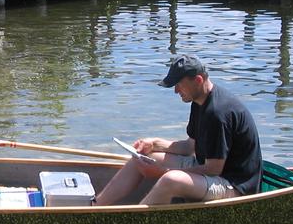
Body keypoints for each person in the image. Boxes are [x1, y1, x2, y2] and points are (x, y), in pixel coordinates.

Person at [95, 54, 262, 206]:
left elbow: (214, 169)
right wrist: (154, 144)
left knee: (170, 179)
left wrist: (162, 172)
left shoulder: (218, 113)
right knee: (143, 158)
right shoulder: (199, 101)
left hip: (233, 186)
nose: (176, 91)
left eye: (179, 85)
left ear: (198, 80)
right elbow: (189, 147)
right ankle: (95, 206)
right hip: (211, 171)